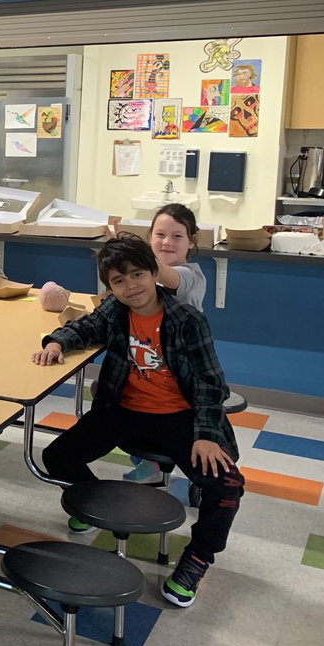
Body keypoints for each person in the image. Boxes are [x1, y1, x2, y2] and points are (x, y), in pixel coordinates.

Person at [33, 234, 244, 610]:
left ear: (153, 273)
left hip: (181, 417)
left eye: (137, 275)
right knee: (56, 457)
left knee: (227, 485)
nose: (130, 286)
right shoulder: (115, 310)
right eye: (118, 281)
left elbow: (212, 383)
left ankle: (197, 559)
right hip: (124, 412)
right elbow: (84, 327)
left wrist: (208, 435)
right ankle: (92, 504)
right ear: (110, 286)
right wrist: (57, 342)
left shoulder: (186, 319)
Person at [125, 203, 207, 482]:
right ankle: (150, 461)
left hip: (177, 375)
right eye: (160, 235)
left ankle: (159, 463)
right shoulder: (144, 275)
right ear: (150, 237)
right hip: (144, 364)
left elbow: (170, 278)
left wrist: (135, 257)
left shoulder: (192, 275)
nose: (167, 242)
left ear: (192, 241)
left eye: (177, 236)